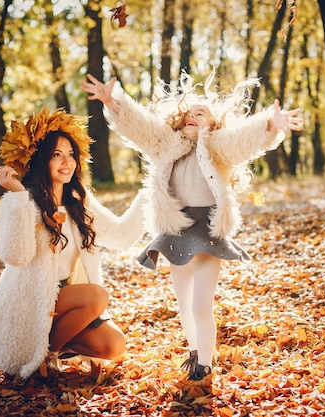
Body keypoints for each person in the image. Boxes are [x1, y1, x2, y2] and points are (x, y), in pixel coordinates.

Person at [81, 71, 304, 381]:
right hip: (176, 230)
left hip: (207, 231)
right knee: (184, 306)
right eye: (188, 113)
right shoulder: (166, 144)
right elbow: (139, 127)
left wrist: (269, 124)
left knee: (201, 305)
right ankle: (196, 351)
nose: (192, 117)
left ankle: (206, 364)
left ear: (211, 123)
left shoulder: (217, 146)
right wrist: (114, 102)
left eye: (201, 114)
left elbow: (243, 140)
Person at [0, 107, 146, 379]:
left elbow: (122, 236)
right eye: (56, 155)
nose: (66, 161)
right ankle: (42, 356)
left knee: (114, 345)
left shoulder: (79, 203)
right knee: (97, 295)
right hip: (32, 301)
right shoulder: (23, 202)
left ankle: (53, 346)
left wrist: (152, 194)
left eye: (71, 154)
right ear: (39, 160)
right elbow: (16, 256)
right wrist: (18, 197)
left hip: (68, 305)